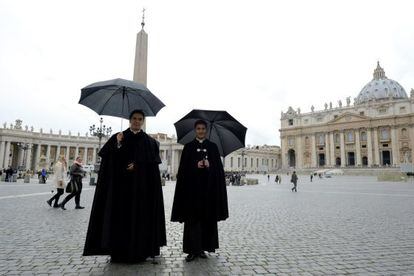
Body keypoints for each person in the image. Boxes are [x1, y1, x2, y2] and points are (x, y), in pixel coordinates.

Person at [83, 109, 166, 263]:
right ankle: (119, 251)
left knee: (140, 220)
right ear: (130, 120)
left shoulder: (149, 142)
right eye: (134, 118)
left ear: (143, 121)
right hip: (121, 191)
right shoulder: (119, 137)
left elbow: (152, 170)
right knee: (120, 221)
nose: (136, 121)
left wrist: (138, 166)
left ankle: (141, 251)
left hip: (141, 191)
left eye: (140, 119)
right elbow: (108, 162)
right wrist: (117, 144)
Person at [171, 119, 229, 262]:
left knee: (206, 220)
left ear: (206, 130)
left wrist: (210, 166)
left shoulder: (213, 147)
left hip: (208, 192)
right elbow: (183, 171)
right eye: (198, 128)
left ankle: (202, 248)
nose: (201, 131)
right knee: (192, 222)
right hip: (192, 192)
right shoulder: (188, 147)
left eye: (203, 128)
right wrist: (195, 165)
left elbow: (219, 172)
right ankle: (191, 250)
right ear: (195, 130)